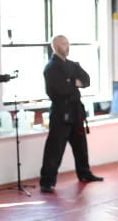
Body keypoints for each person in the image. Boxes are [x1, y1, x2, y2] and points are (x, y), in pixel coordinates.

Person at [39, 35, 103, 193]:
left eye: (68, 43)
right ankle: (47, 181)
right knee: (55, 148)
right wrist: (73, 84)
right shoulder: (51, 68)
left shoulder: (73, 65)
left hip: (76, 112)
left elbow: (86, 80)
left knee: (80, 144)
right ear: (55, 46)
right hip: (60, 113)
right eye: (63, 44)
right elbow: (61, 90)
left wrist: (73, 82)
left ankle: (84, 173)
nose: (67, 46)